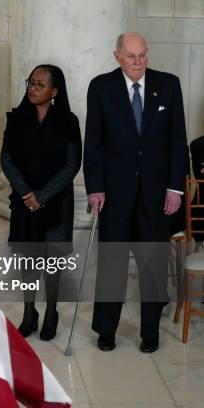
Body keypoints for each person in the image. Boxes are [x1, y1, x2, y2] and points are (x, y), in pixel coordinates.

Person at [84, 32, 187, 353]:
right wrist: (95, 187)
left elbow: (177, 141)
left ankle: (150, 332)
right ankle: (106, 329)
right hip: (114, 194)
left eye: (142, 55)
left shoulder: (168, 85)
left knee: (152, 265)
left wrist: (174, 188)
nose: (138, 62)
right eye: (131, 56)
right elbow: (94, 143)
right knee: (112, 263)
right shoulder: (101, 87)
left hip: (156, 195)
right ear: (117, 56)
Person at [1, 64, 82, 341]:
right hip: (25, 202)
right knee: (28, 259)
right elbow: (6, 159)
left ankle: (50, 312)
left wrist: (43, 196)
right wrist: (27, 194)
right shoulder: (16, 118)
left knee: (53, 261)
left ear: (54, 91)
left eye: (40, 85)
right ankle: (28, 312)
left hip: (56, 202)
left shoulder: (68, 121)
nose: (32, 89)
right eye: (31, 83)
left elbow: (72, 164)